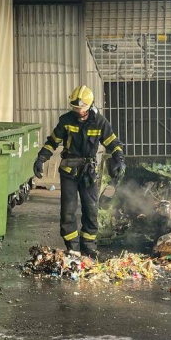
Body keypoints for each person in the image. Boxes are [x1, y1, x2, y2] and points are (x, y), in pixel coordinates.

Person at [33, 85, 125, 258]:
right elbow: (52, 142)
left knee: (91, 211)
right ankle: (73, 250)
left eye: (81, 108)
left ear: (89, 106)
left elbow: (113, 143)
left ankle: (88, 248)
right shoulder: (66, 120)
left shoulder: (100, 122)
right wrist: (41, 159)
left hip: (88, 174)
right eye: (75, 108)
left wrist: (119, 160)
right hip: (68, 172)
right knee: (68, 212)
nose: (78, 111)